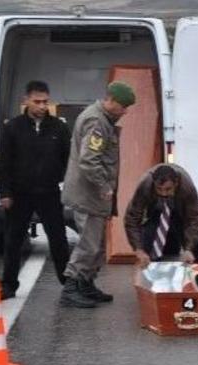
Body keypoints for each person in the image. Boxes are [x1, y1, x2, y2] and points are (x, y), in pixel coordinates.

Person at [59, 81, 135, 308]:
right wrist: (103, 186)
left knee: (98, 244)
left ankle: (86, 283)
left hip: (92, 195)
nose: (125, 112)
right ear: (110, 100)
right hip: (89, 194)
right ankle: (71, 287)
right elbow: (89, 160)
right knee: (88, 244)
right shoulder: (96, 121)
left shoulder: (103, 119)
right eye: (123, 107)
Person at [0, 80, 72, 300]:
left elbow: (68, 160)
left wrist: (68, 187)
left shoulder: (59, 127)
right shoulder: (13, 128)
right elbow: (4, 163)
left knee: (58, 238)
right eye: (37, 101)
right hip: (20, 193)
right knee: (13, 240)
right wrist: (5, 192)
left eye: (45, 102)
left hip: (49, 191)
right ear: (26, 101)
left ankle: (67, 283)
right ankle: (9, 285)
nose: (41, 106)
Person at [124, 164, 198, 268]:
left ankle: (195, 277)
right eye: (159, 189)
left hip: (181, 212)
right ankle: (153, 276)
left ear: (176, 183)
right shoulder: (145, 185)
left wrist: (189, 249)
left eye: (168, 189)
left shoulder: (187, 187)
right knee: (147, 248)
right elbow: (132, 218)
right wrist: (138, 249)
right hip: (154, 213)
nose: (163, 193)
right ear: (154, 183)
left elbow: (195, 219)